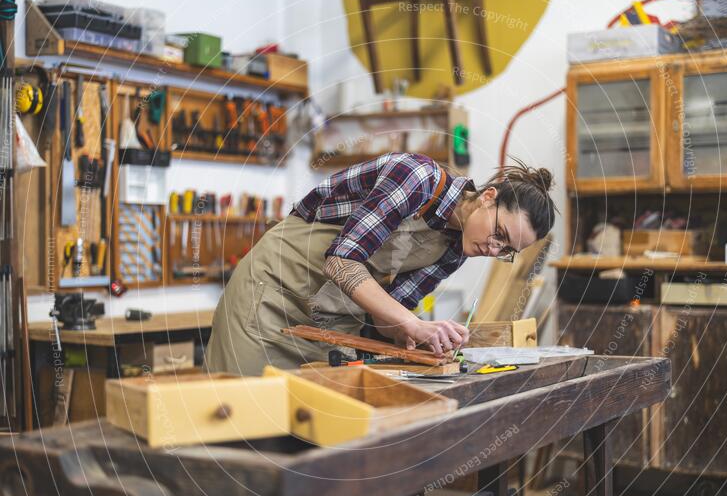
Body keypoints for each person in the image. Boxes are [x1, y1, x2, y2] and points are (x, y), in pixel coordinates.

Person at [206, 152, 556, 375]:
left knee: (317, 438)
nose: (494, 250)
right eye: (499, 234)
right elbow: (342, 262)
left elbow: (385, 317)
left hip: (328, 323)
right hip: (271, 294)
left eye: (506, 250)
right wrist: (412, 323)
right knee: (240, 421)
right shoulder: (417, 178)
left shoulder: (457, 247)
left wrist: (425, 334)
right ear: (487, 198)